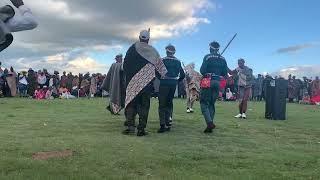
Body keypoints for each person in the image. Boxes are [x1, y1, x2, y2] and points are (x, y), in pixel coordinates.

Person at [122, 29, 167, 136]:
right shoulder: (152, 51)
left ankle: (130, 127)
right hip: (146, 84)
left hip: (132, 82)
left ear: (139, 37)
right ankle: (141, 129)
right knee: (144, 106)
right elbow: (161, 69)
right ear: (148, 39)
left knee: (131, 104)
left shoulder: (132, 49)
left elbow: (125, 65)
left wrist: (130, 77)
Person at [199, 41, 229, 133]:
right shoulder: (223, 59)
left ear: (211, 48)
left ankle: (209, 122)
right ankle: (210, 124)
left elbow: (202, 70)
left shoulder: (207, 57)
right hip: (218, 82)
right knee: (212, 103)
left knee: (204, 102)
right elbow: (224, 73)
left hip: (208, 81)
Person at [157, 44, 185, 133]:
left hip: (164, 82)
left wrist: (161, 78)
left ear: (166, 51)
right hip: (173, 83)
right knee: (169, 103)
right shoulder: (178, 61)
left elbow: (156, 72)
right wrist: (177, 81)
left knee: (162, 104)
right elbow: (182, 75)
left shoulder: (162, 60)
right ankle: (168, 122)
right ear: (174, 52)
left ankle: (162, 125)